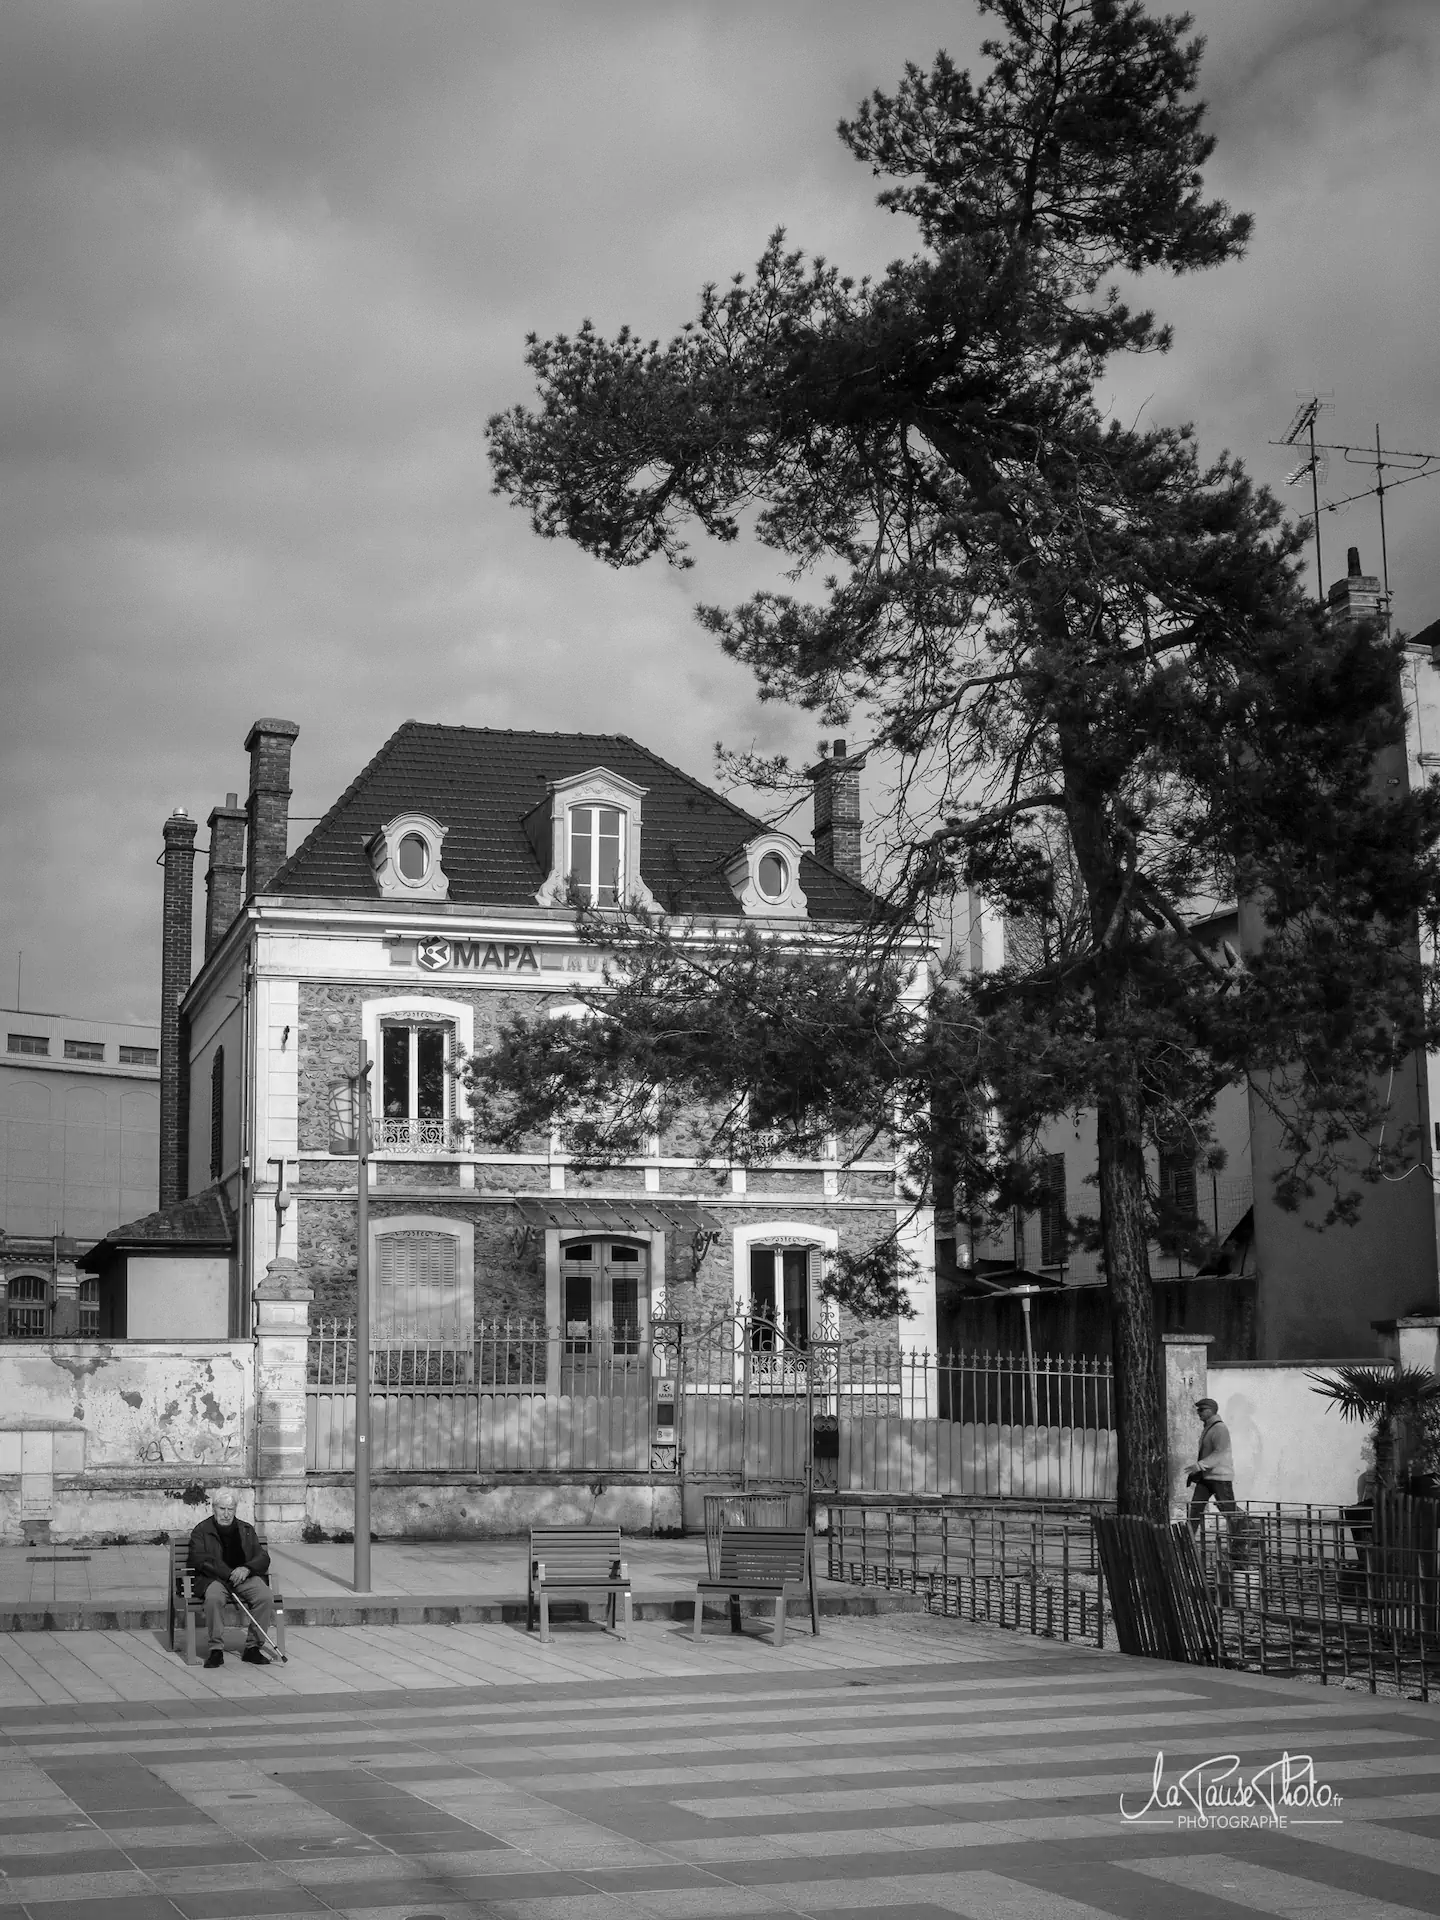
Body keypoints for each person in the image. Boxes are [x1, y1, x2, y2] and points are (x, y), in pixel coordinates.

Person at [188, 1490, 277, 1669]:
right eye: (222, 1509)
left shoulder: (245, 1529)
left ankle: (253, 1647)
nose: (226, 1514)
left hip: (243, 1577)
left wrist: (247, 1568)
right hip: (214, 1579)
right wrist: (228, 1573)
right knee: (214, 1598)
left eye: (230, 1509)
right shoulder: (202, 1530)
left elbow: (262, 1557)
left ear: (236, 1509)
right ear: (213, 1508)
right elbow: (199, 1559)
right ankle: (215, 1649)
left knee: (265, 1597)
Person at [1186, 1397, 1238, 1534]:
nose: (1199, 1412)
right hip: (1206, 1476)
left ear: (1211, 1411)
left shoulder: (1220, 1428)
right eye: (1198, 1410)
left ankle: (1241, 1540)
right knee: (1195, 1509)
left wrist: (1199, 1465)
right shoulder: (1209, 1427)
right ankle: (1189, 1539)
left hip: (1220, 1477)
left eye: (1202, 1410)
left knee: (1229, 1512)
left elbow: (1219, 1453)